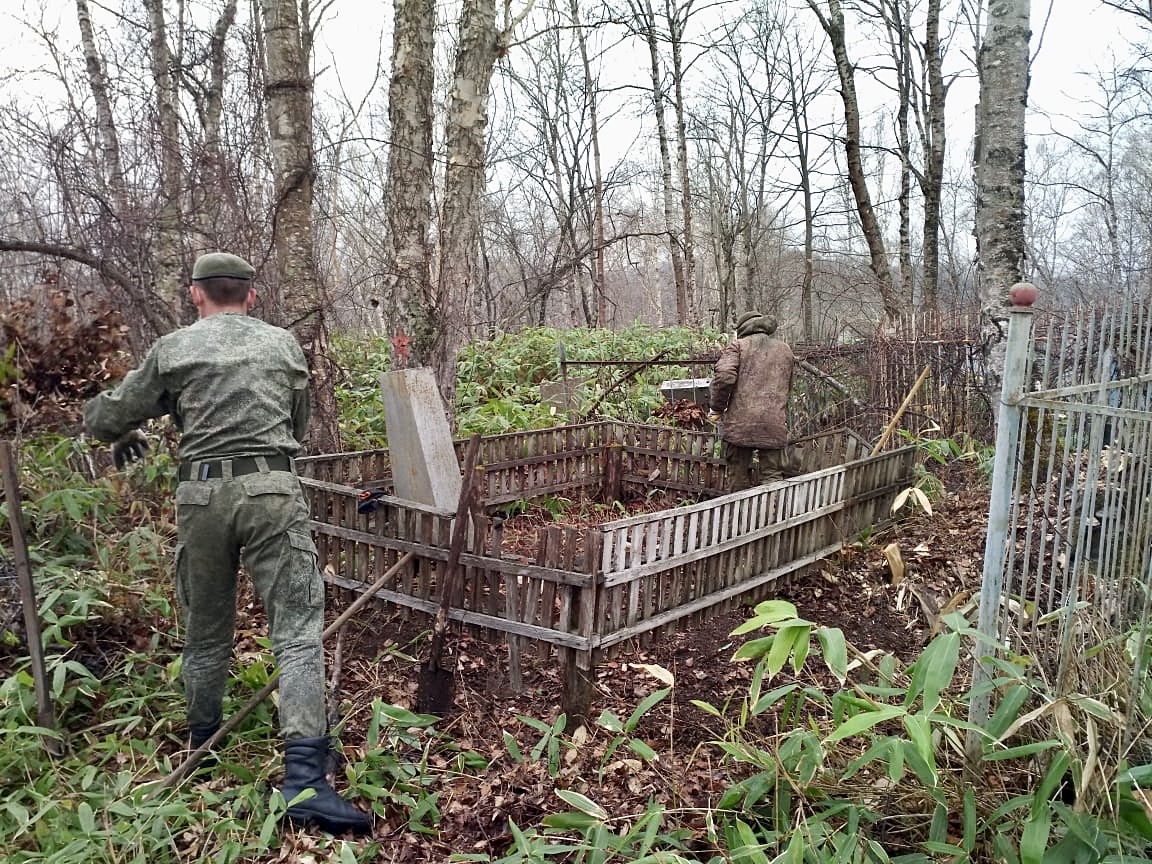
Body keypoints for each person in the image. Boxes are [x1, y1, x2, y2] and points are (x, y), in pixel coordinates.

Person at [83, 252, 371, 836]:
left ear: (195, 295)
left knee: (206, 628)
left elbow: (107, 420)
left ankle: (202, 746)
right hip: (271, 491)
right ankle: (306, 781)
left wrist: (123, 421)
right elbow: (296, 422)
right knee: (295, 630)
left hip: (201, 498)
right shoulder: (285, 347)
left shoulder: (172, 350)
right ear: (252, 295)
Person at [708, 311, 795, 492]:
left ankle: (739, 518)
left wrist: (717, 408)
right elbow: (788, 386)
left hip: (740, 424)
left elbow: (724, 377)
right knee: (772, 477)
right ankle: (772, 516)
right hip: (773, 424)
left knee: (738, 476)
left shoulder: (738, 346)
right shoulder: (785, 350)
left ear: (742, 329)